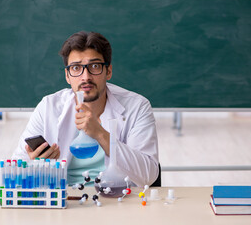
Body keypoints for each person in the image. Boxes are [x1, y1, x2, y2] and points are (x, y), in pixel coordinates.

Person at [12, 31, 159, 187]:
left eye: (94, 66)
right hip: (65, 201)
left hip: (116, 200)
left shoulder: (137, 106)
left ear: (108, 71)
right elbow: (14, 171)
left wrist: (100, 134)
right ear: (67, 76)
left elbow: (148, 176)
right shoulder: (48, 107)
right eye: (76, 68)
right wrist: (39, 167)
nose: (86, 77)